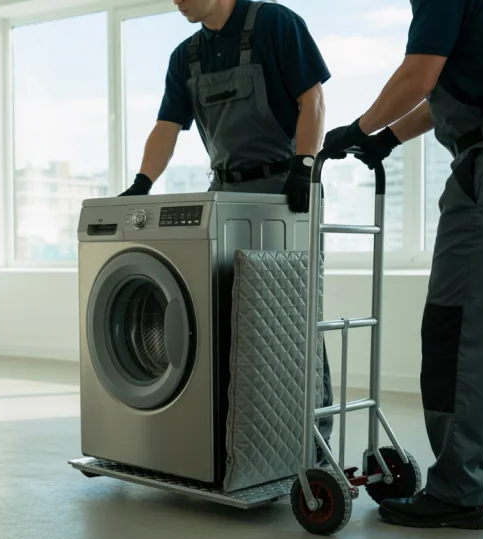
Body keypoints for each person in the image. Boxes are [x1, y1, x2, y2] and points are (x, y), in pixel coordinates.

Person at [322, 0, 483, 530]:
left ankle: (457, 489)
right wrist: (386, 138)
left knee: (461, 328)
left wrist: (358, 128)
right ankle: (459, 483)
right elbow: (447, 88)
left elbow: (419, 72)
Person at [118, 0, 335, 450]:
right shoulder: (186, 57)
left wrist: (305, 166)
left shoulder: (276, 23)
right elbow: (167, 126)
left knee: (293, 315)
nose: (175, 1)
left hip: (284, 190)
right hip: (225, 194)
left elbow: (311, 98)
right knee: (225, 317)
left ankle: (312, 445)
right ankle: (235, 443)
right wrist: (141, 183)